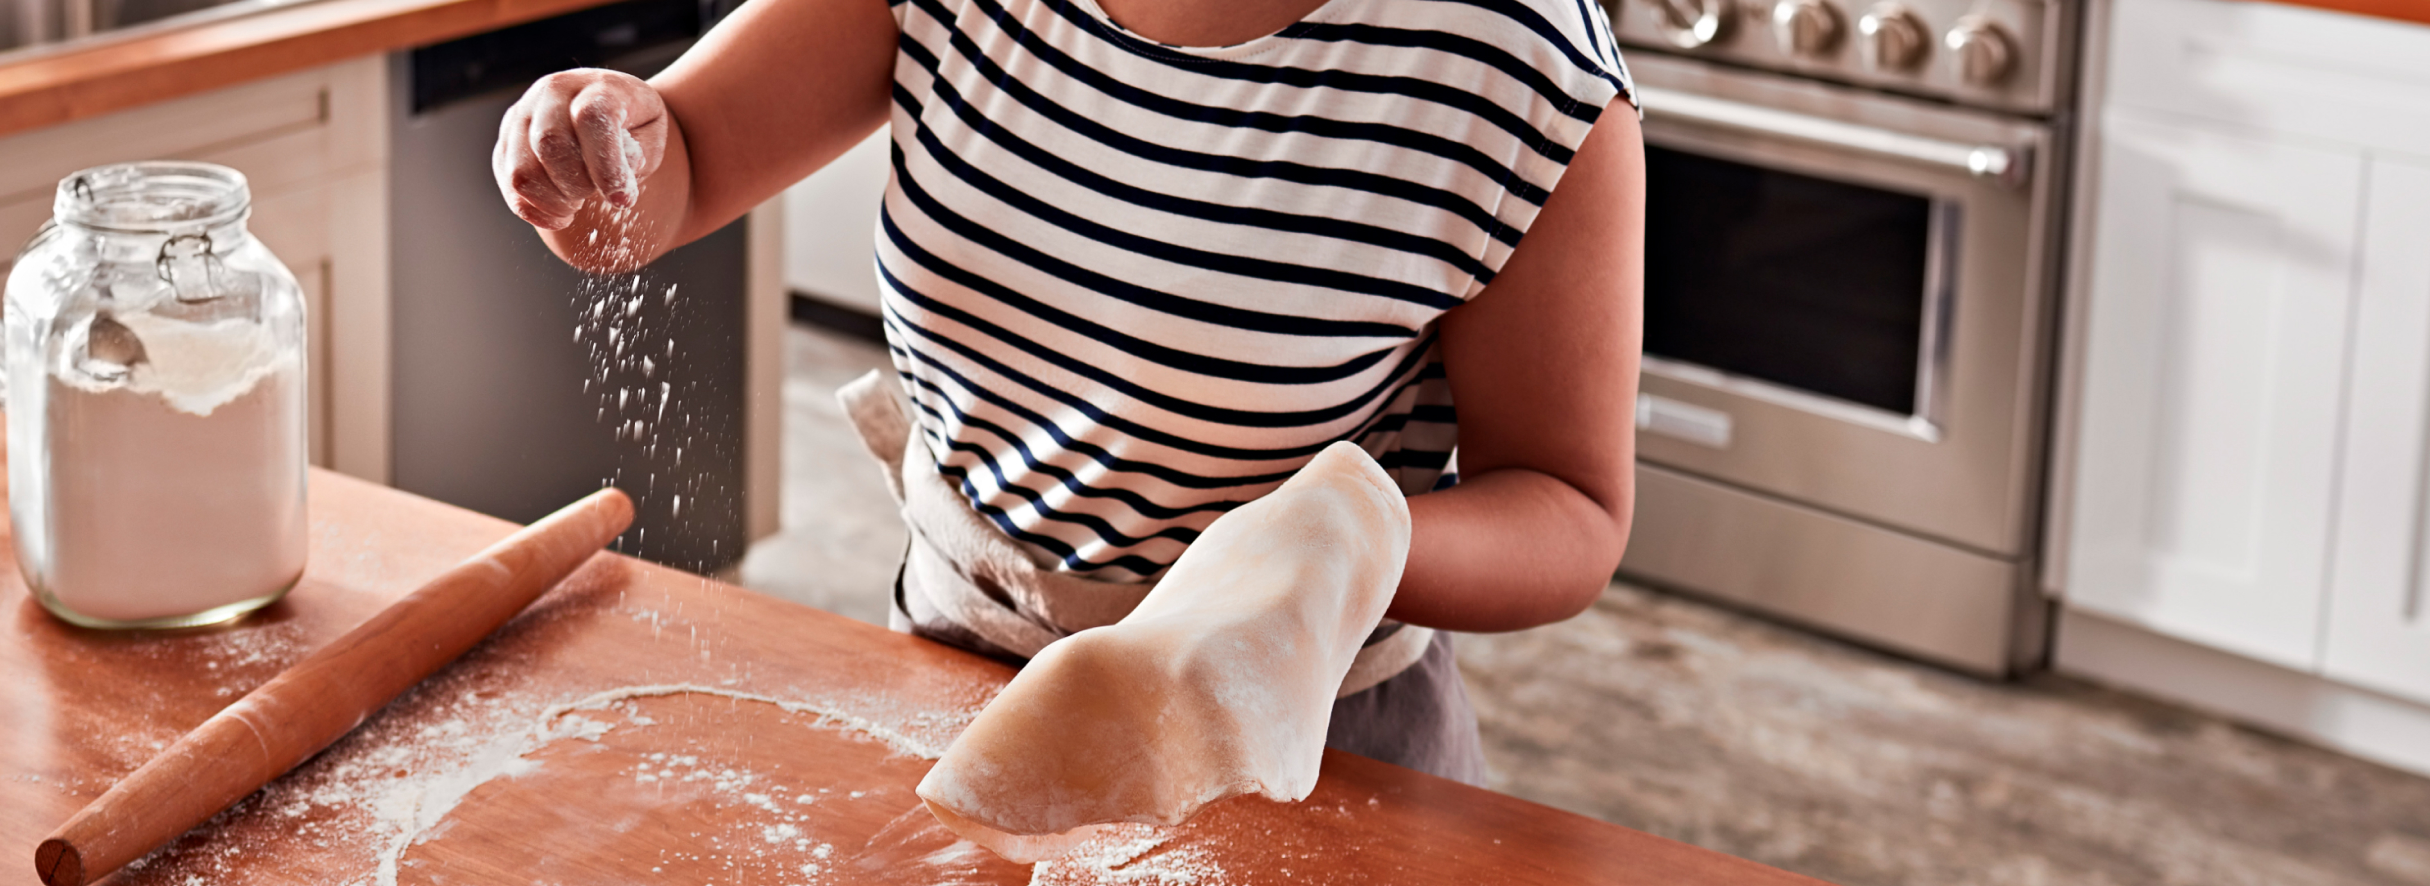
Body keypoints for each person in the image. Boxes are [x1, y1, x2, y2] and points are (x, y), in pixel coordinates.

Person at [493, 0, 1644, 785]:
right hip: (950, 665)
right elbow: (670, 168)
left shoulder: (1514, 61)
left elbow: (1567, 504)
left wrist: (1348, 541)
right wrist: (595, 155)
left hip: (1299, 733)